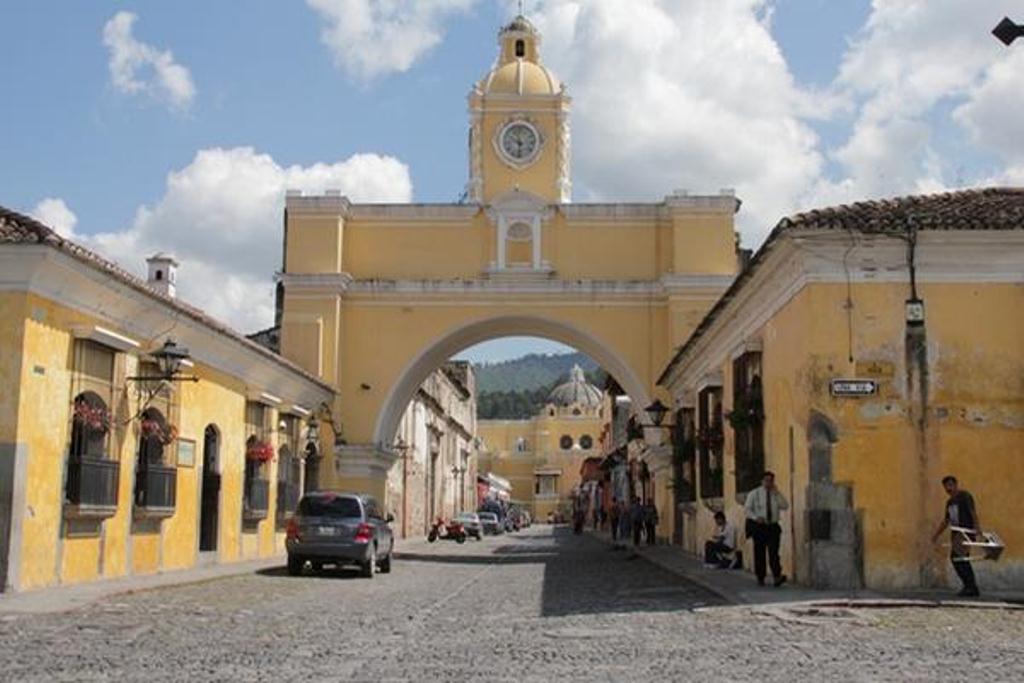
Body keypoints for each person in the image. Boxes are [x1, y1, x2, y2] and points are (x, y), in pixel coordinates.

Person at [931, 475, 981, 597]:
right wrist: (936, 535)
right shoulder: (949, 502)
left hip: (966, 533)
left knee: (959, 559)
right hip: (956, 535)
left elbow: (972, 512)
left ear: (955, 484)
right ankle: (970, 586)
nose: (948, 489)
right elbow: (946, 520)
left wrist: (977, 529)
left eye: (950, 485)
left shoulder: (965, 497)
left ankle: (971, 586)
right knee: (959, 560)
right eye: (946, 486)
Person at [743, 471, 789, 587]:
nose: (769, 483)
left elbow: (785, 506)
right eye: (767, 480)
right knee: (759, 553)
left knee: (774, 552)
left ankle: (776, 576)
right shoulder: (754, 494)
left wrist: (777, 493)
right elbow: (747, 509)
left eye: (771, 480)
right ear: (762, 481)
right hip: (759, 527)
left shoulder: (775, 494)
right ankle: (760, 576)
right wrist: (755, 517)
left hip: (773, 526)